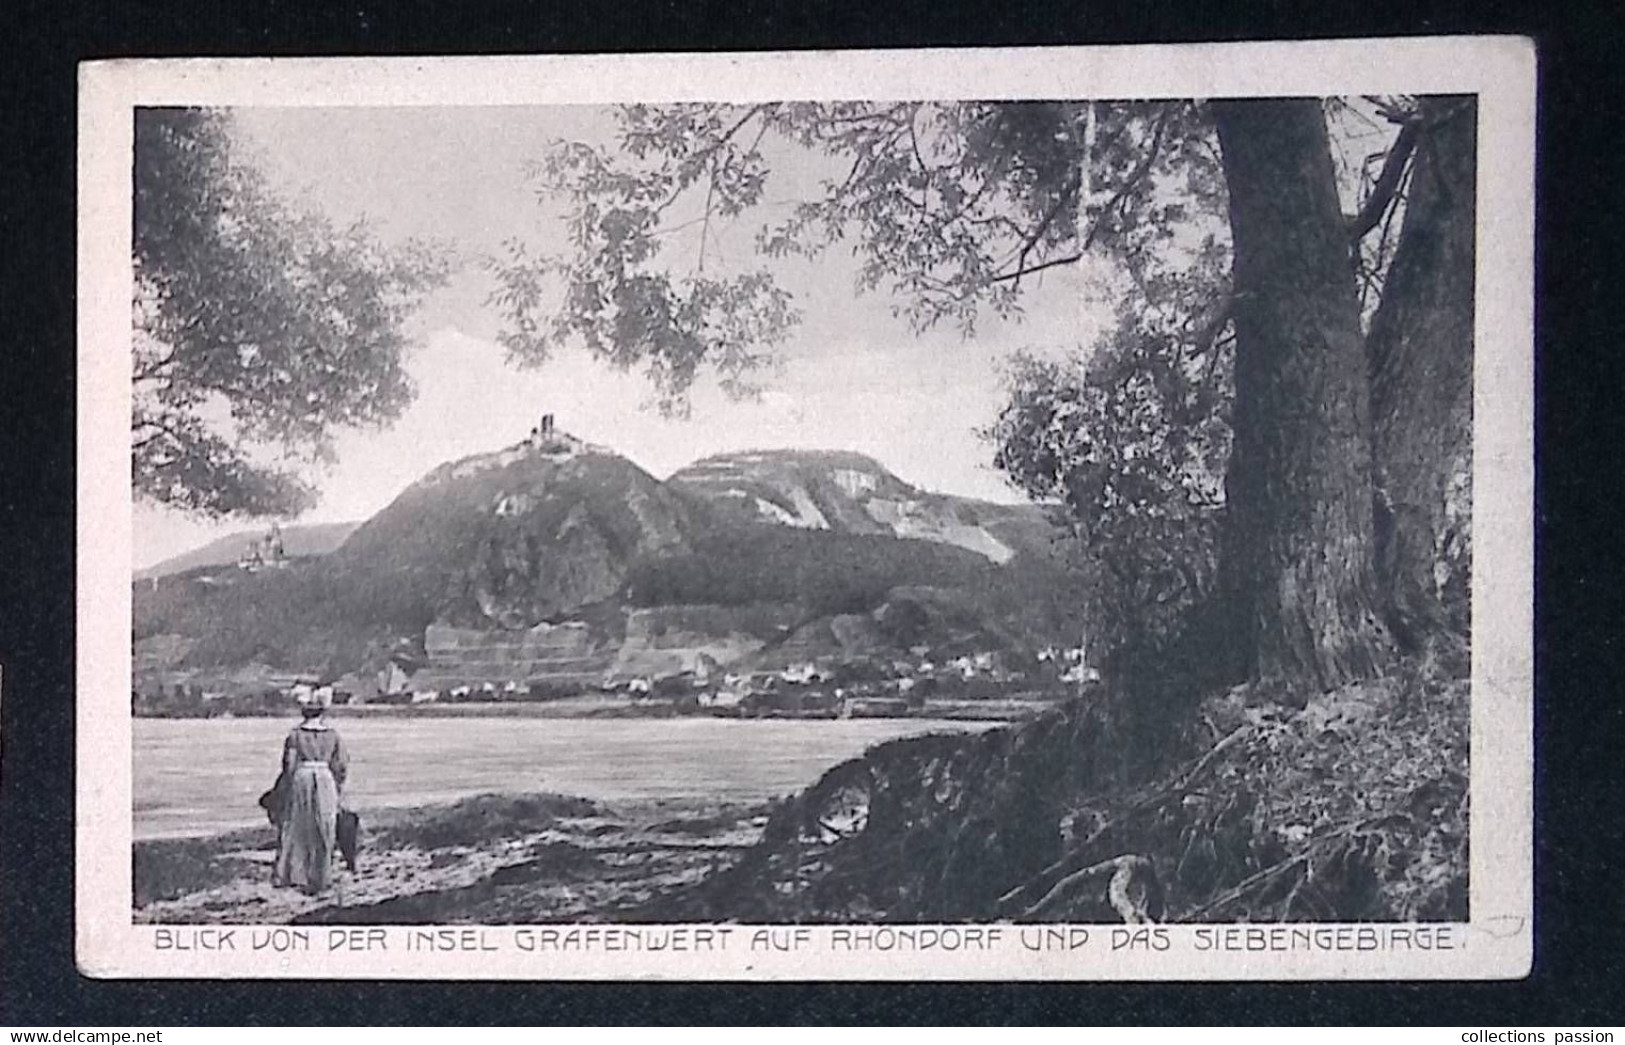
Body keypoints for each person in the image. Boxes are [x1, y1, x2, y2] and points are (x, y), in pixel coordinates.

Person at [271, 686, 349, 895]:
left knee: (298, 825)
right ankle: (322, 875)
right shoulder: (333, 735)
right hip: (325, 779)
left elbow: (289, 765)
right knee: (324, 826)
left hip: (302, 778)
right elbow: (341, 765)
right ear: (322, 712)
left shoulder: (295, 735)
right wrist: (339, 788)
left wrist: (285, 787)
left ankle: (295, 874)